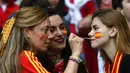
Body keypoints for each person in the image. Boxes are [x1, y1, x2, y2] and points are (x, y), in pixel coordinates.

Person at [0, 6, 84, 73]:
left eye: (62, 27)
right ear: (27, 32)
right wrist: (75, 55)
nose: (50, 35)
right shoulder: (25, 57)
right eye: (45, 30)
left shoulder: (19, 57)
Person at [46, 8, 88, 73]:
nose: (60, 33)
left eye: (62, 27)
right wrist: (75, 55)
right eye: (52, 30)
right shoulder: (35, 63)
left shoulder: (78, 62)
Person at [88, 9, 130, 73]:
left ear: (113, 31)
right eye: (91, 29)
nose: (90, 33)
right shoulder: (108, 64)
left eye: (96, 28)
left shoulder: (128, 62)